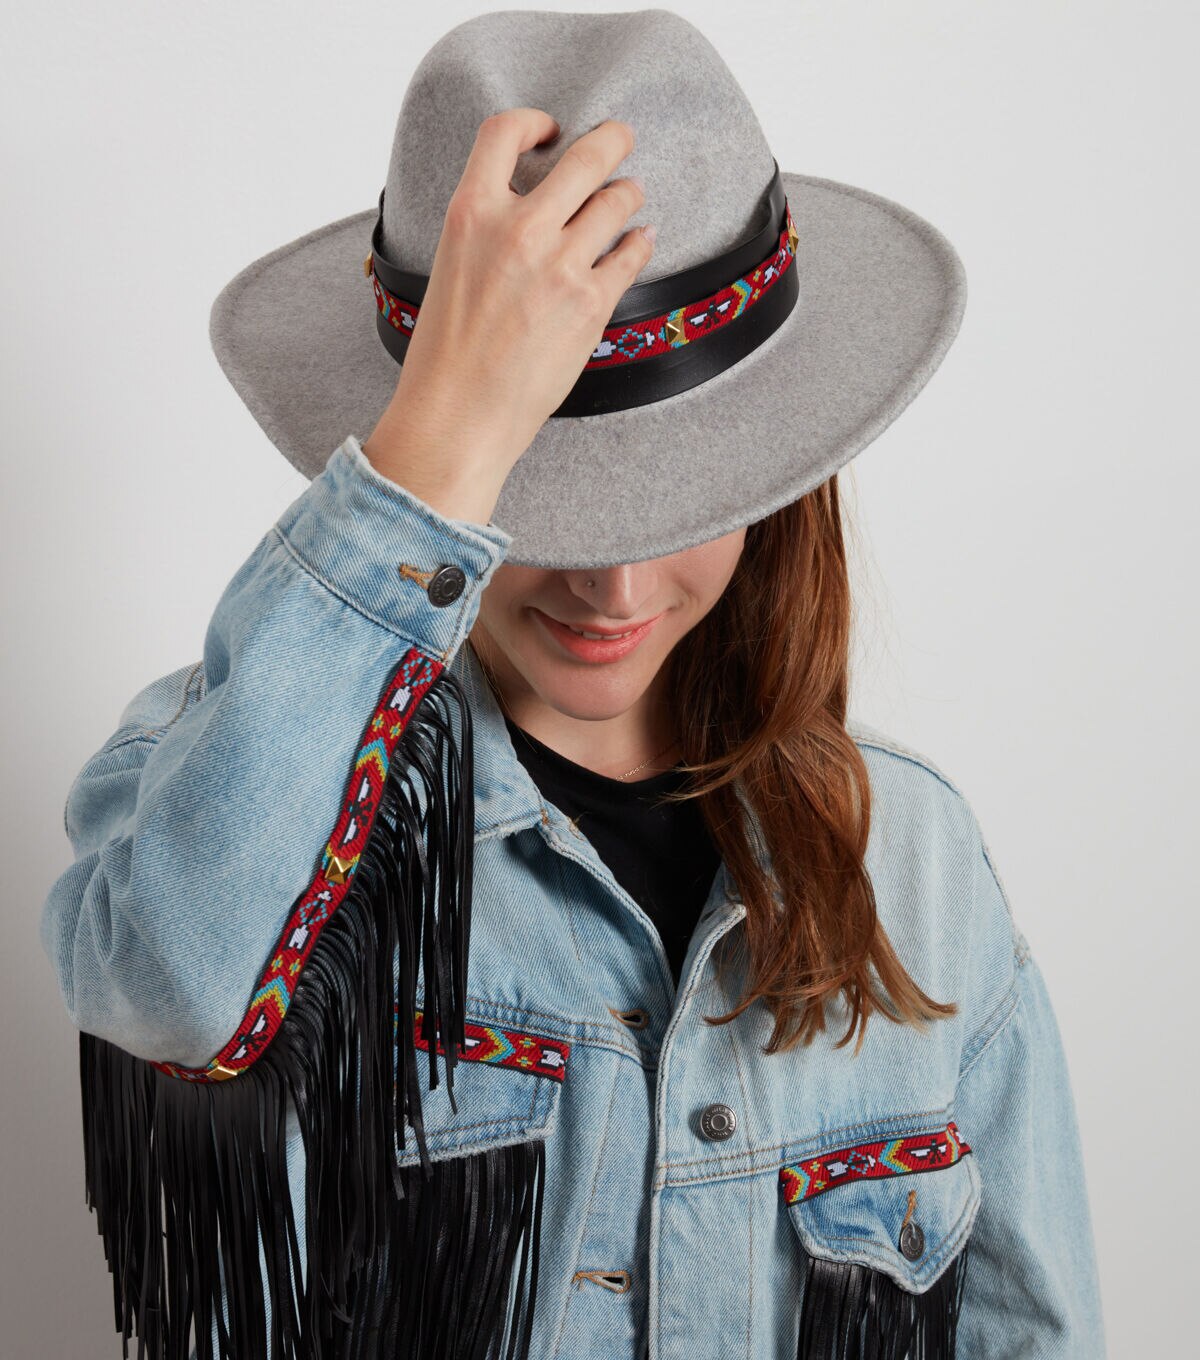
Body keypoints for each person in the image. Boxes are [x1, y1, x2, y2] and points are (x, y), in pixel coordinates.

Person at [39, 10, 1105, 1359]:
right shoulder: (241, 788)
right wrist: (440, 438)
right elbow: (173, 988)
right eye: (543, 495)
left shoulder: (919, 860)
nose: (615, 587)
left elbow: (1031, 1329)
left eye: (683, 494)